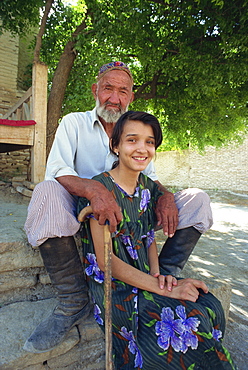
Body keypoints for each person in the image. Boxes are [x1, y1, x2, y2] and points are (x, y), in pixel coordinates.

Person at [23, 61, 213, 353]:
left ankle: (165, 274)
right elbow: (58, 170)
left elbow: (151, 178)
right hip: (83, 209)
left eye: (122, 91)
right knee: (46, 192)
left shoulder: (134, 128)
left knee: (196, 199)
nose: (114, 97)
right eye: (108, 88)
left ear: (131, 97)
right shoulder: (74, 122)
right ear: (95, 90)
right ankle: (73, 300)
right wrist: (95, 190)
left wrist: (165, 196)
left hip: (133, 211)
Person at [78, 110, 236, 370]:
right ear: (115, 146)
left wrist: (159, 276)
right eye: (132, 140)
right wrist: (163, 288)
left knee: (210, 304)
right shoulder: (101, 191)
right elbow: (107, 263)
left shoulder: (148, 188)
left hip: (145, 276)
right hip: (115, 288)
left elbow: (148, 238)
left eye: (149, 142)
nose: (142, 148)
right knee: (187, 316)